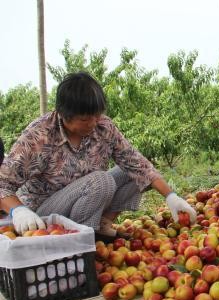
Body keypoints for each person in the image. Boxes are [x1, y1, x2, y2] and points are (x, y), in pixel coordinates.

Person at [0, 72, 197, 239]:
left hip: (86, 197)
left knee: (131, 172)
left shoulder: (103, 127)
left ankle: (101, 226)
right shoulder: (39, 137)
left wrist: (171, 196)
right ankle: (83, 239)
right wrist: (18, 210)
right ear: (63, 114)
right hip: (45, 212)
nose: (93, 123)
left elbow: (138, 164)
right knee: (101, 181)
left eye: (97, 115)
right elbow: (3, 183)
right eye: (85, 119)